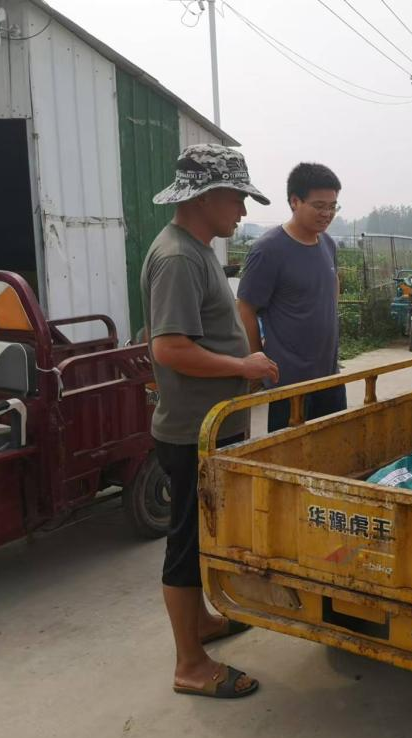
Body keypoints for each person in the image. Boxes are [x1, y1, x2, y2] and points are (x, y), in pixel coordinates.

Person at [142, 143, 279, 699]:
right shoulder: (178, 257)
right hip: (192, 431)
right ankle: (190, 666)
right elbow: (169, 348)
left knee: (200, 535)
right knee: (186, 542)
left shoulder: (195, 251)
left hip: (211, 425)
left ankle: (199, 622)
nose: (243, 211)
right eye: (237, 198)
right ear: (205, 196)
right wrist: (242, 366)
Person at [236, 162, 345, 431]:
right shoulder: (269, 250)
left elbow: (331, 288)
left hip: (329, 376)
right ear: (295, 201)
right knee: (291, 453)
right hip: (289, 383)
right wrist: (258, 359)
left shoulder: (327, 244)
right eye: (319, 206)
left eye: (332, 206)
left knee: (334, 445)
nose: (327, 214)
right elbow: (245, 308)